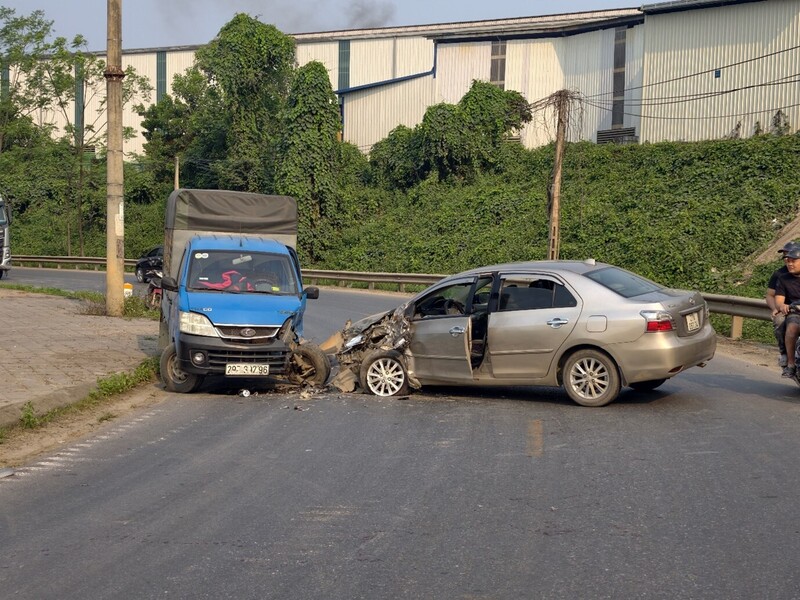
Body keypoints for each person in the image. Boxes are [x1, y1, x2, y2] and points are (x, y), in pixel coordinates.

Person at [766, 241, 795, 367]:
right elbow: (770, 295)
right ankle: (785, 354)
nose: (787, 259)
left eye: (790, 255)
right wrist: (775, 308)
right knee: (779, 321)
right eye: (785, 255)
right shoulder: (780, 275)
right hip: (786, 309)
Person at [774, 244, 800, 378]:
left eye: (793, 260)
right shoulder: (783, 278)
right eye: (788, 260)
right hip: (795, 312)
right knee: (792, 328)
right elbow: (778, 299)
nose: (789, 263)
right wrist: (782, 306)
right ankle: (790, 364)